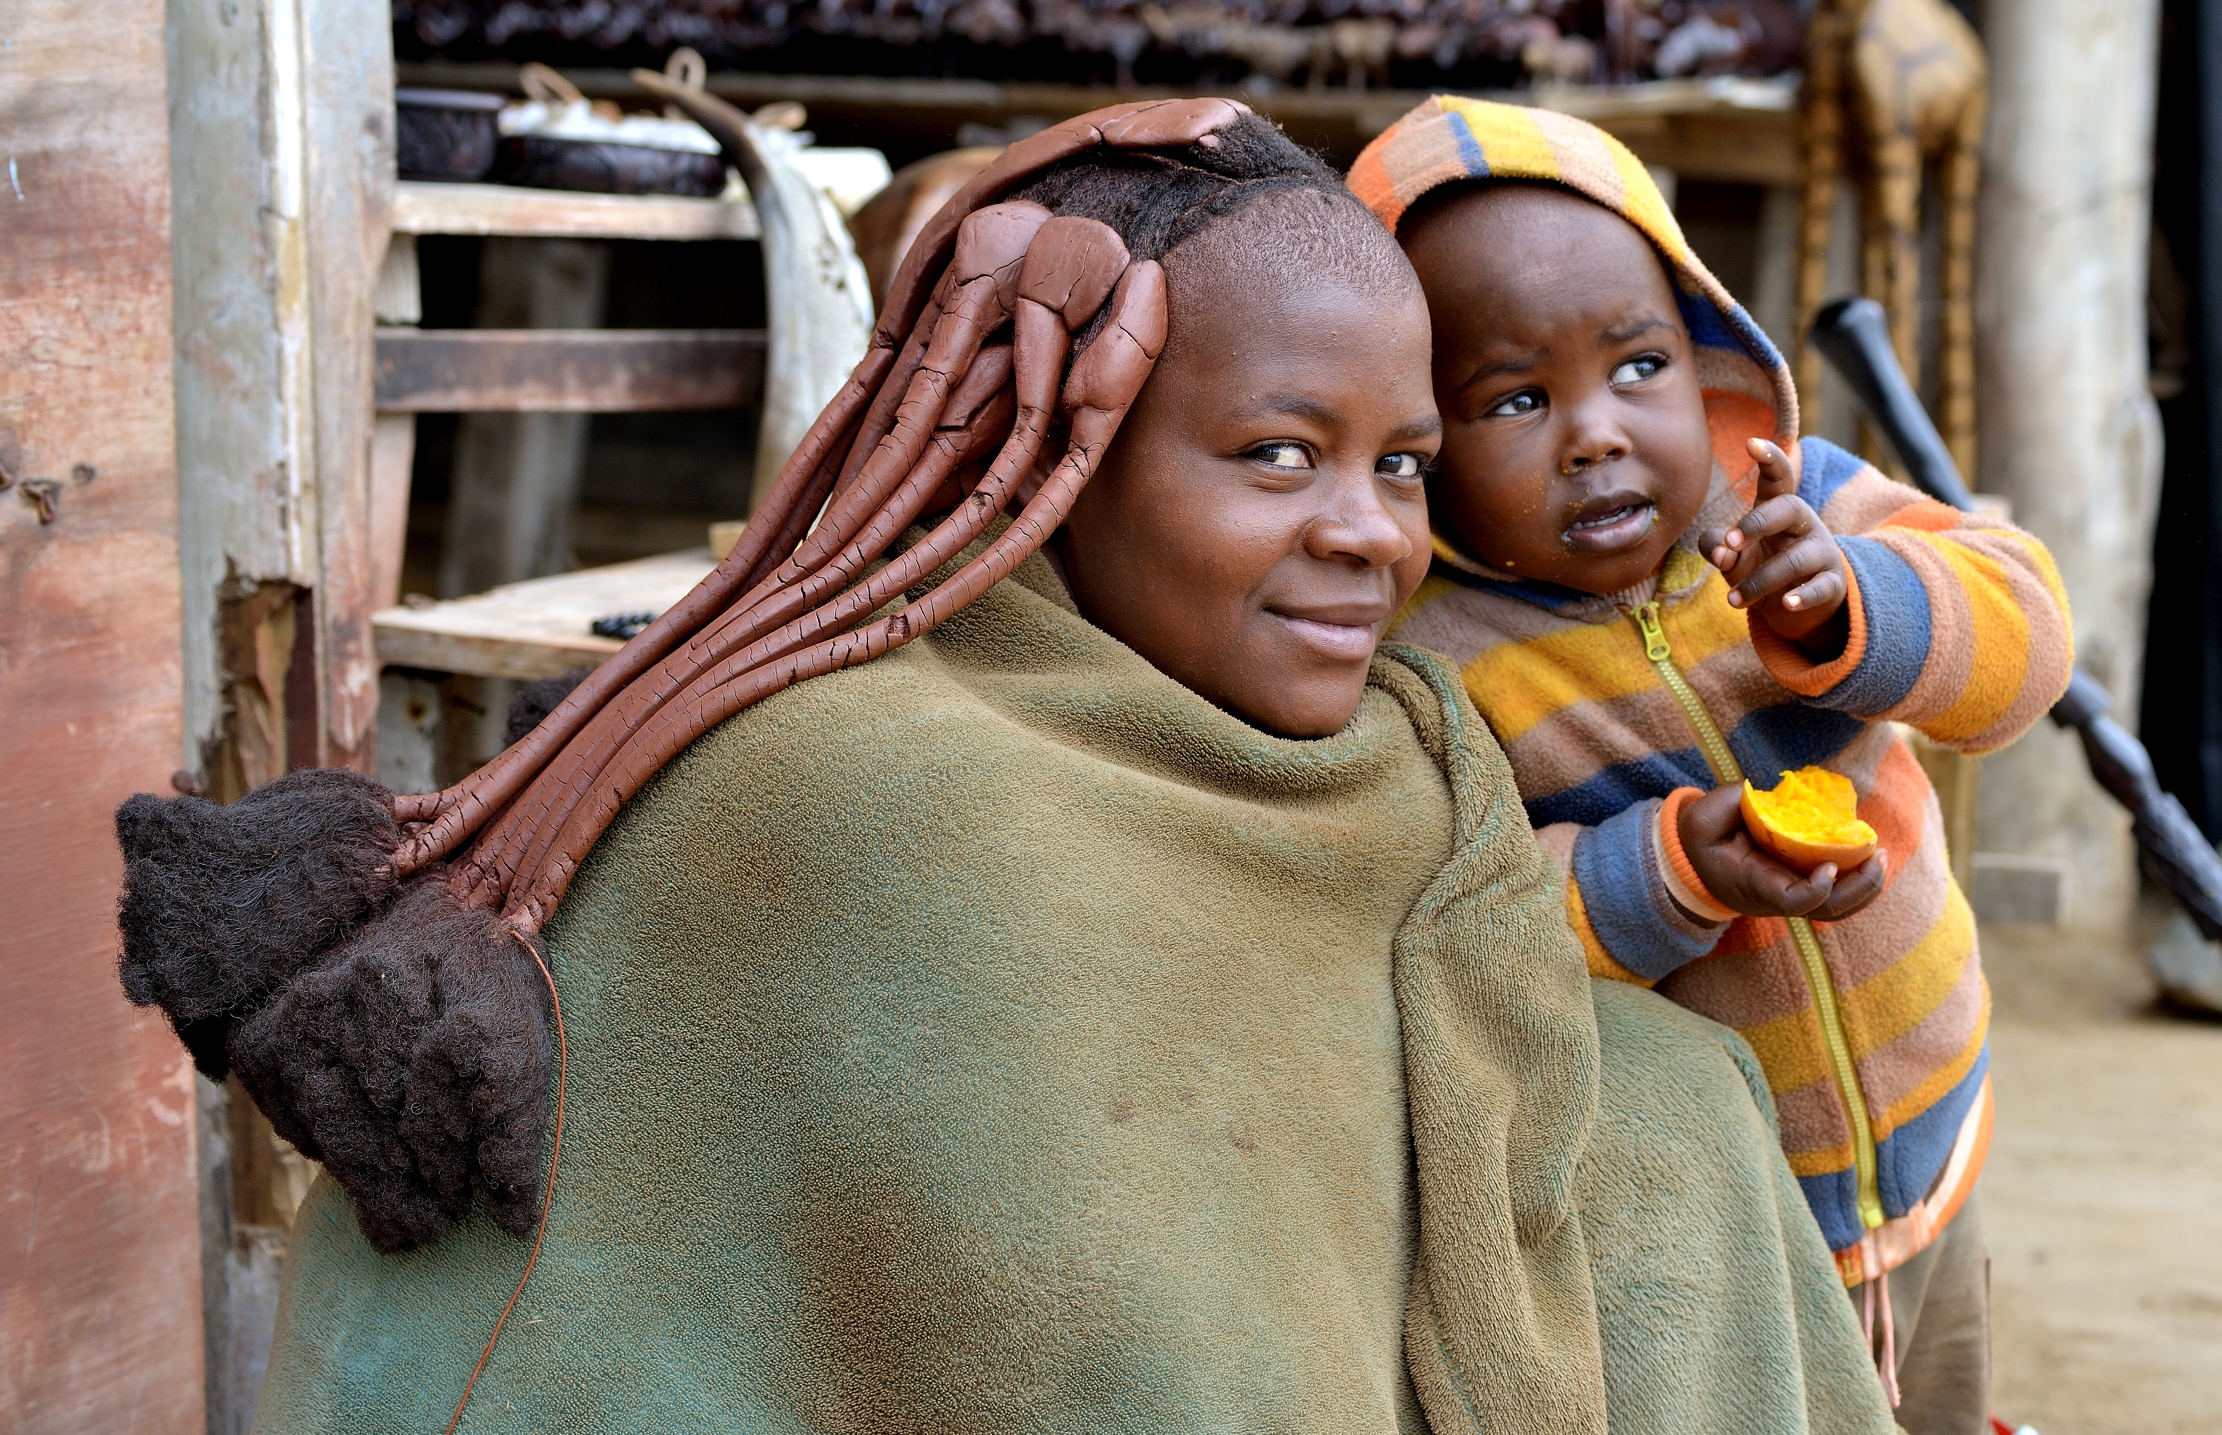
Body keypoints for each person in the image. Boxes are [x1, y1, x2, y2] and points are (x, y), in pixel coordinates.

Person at [118, 101, 1892, 1434]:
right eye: (1279, 456)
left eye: (1405, 467)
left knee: (1672, 1110)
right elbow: (1112, 1333)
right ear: (1053, 454)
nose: (1371, 538)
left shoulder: (1397, 756)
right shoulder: (865, 787)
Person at [1352, 96, 2074, 1433]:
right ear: (1419, 449)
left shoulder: (1786, 496)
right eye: (1514, 398)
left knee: (1946, 1394)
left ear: (1702, 352)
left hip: (1930, 1124)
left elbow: (2024, 636)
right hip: (1719, 1218)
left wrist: (1857, 604)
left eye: (1635, 366)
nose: (1594, 433)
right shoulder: (1435, 662)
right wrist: (1671, 869)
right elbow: (1469, 919)